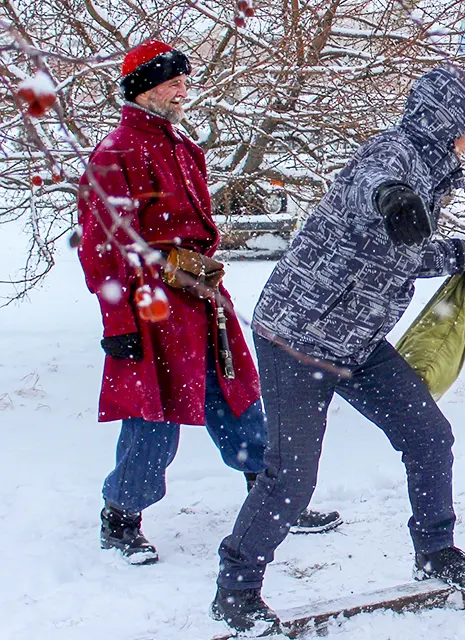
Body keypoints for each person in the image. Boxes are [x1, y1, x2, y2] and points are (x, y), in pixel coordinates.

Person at [211, 65, 465, 635]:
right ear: (446, 122)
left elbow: (399, 251)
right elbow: (374, 185)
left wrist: (457, 253)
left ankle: (435, 550)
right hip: (298, 336)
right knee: (292, 477)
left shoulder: (436, 171)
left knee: (429, 435)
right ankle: (236, 588)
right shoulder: (394, 157)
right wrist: (392, 198)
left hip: (357, 339)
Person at [77, 40, 341, 566]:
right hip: (152, 307)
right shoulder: (117, 153)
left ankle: (274, 502)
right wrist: (120, 321)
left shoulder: (181, 144)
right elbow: (101, 247)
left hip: (201, 298)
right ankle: (122, 517)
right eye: (172, 82)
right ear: (143, 88)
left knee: (238, 399)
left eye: (184, 81)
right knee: (153, 418)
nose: (183, 90)